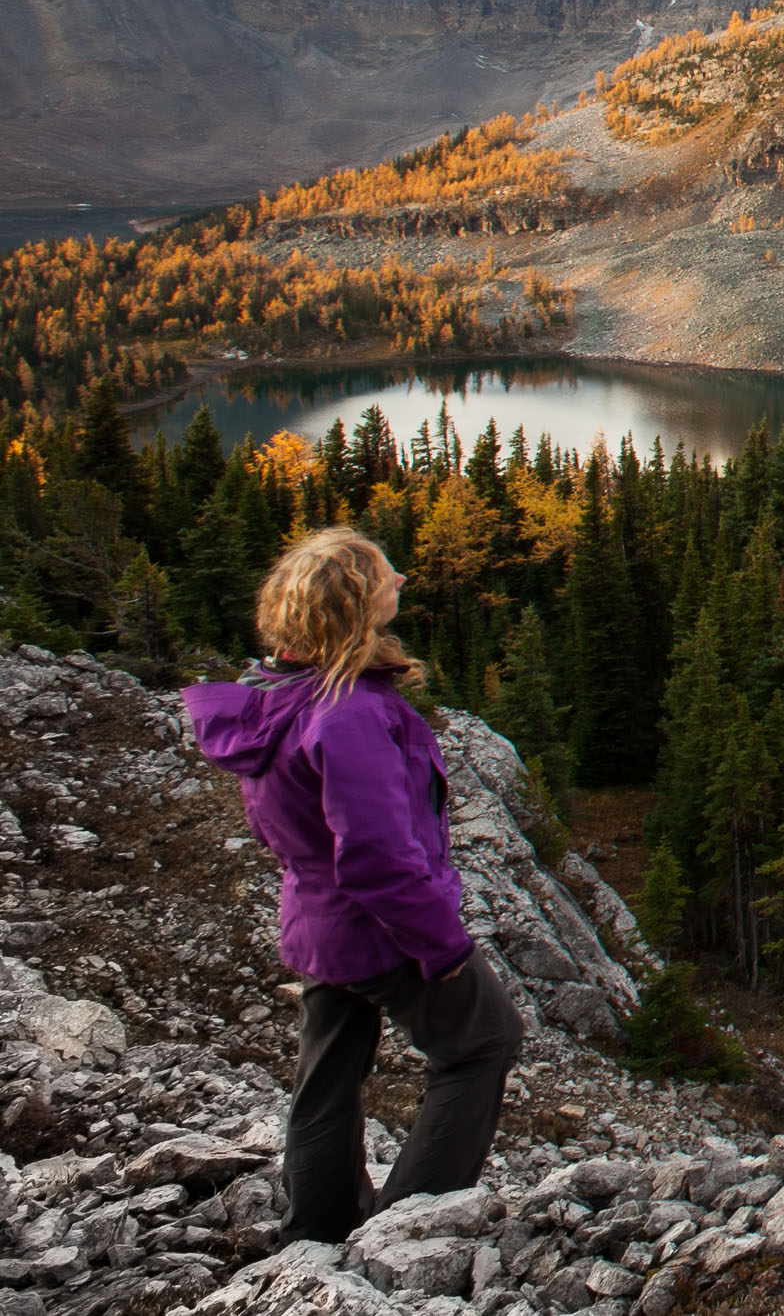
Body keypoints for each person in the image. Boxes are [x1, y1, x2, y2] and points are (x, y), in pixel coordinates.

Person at [182, 528, 523, 1245]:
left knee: (329, 1072)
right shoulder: (350, 714)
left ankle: (319, 1226)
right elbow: (376, 855)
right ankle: (406, 1229)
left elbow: (294, 827)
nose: (400, 574)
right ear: (353, 606)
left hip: (317, 921)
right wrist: (444, 944)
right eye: (382, 573)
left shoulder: (275, 700)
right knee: (483, 1039)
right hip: (378, 927)